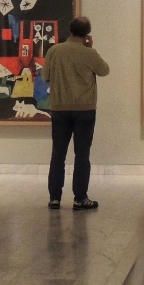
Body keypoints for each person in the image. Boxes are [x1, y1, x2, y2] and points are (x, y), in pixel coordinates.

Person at [42, 16, 110, 211]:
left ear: (70, 30)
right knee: (82, 155)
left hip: (59, 109)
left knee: (58, 154)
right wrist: (89, 48)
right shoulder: (88, 53)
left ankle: (54, 199)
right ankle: (80, 198)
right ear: (87, 33)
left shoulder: (54, 51)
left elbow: (45, 76)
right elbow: (104, 70)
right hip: (84, 110)